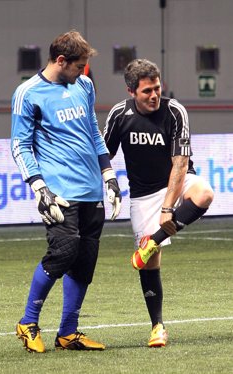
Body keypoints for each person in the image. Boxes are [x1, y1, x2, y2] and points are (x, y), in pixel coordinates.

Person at [11, 30, 121, 353]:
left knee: (85, 259)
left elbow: (94, 133)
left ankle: (67, 333)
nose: (84, 72)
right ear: (61, 61)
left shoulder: (83, 86)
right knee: (63, 251)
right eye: (80, 66)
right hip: (58, 192)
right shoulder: (28, 93)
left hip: (91, 190)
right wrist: (39, 187)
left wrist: (109, 176)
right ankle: (28, 322)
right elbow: (20, 145)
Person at [103, 59, 213, 348]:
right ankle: (157, 327)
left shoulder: (174, 111)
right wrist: (106, 183)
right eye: (146, 91)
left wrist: (168, 208)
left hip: (175, 182)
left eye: (157, 88)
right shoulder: (119, 115)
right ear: (131, 91)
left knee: (205, 193)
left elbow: (181, 163)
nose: (154, 95)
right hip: (142, 195)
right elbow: (103, 156)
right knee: (150, 265)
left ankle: (154, 240)